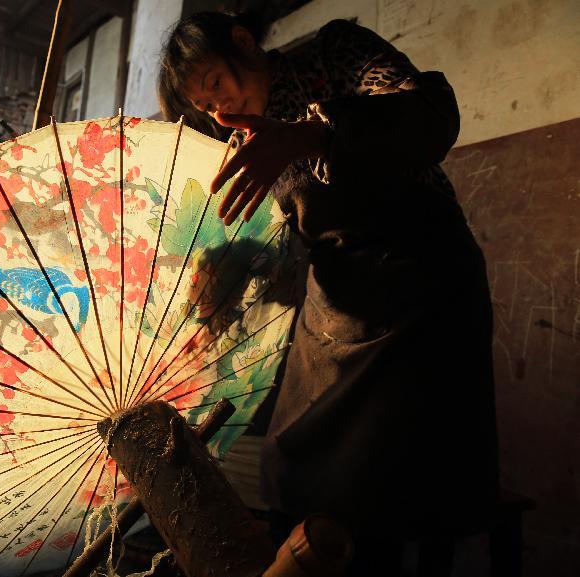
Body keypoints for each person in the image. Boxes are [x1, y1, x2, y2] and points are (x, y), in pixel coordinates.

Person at [158, 12, 500, 576]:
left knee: (388, 484)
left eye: (216, 82)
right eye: (203, 105)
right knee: (293, 462)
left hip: (422, 282)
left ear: (243, 42)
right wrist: (230, 271)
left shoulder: (333, 56)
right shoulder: (245, 141)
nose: (217, 111)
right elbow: (277, 245)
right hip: (337, 297)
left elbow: (433, 116)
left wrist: (317, 134)